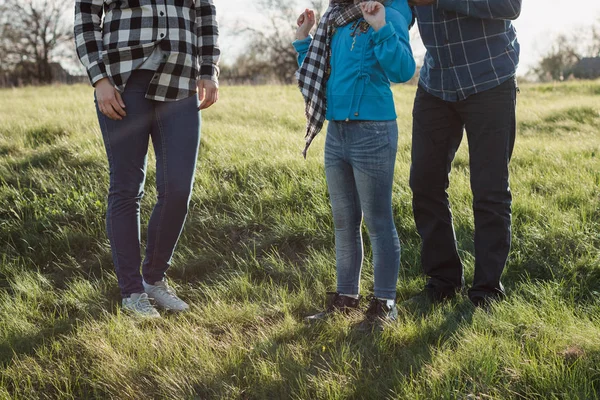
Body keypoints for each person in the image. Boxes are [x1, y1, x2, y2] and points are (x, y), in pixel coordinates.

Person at [74, 0, 220, 317]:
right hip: (123, 82)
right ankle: (132, 292)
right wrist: (99, 80)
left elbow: (205, 13)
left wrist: (208, 70)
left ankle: (153, 279)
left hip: (179, 81)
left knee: (179, 189)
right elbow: (86, 17)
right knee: (127, 188)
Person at [294, 0, 415, 330]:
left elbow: (403, 70)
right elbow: (319, 73)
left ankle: (385, 305)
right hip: (337, 132)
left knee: (378, 222)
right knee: (345, 222)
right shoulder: (336, 18)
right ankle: (346, 300)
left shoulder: (392, 12)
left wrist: (380, 26)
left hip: (373, 130)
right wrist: (304, 38)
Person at [406, 0, 521, 307]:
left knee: (490, 189)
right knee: (424, 184)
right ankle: (442, 282)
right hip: (436, 82)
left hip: (490, 78)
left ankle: (487, 292)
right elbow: (400, 12)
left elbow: (510, 5)